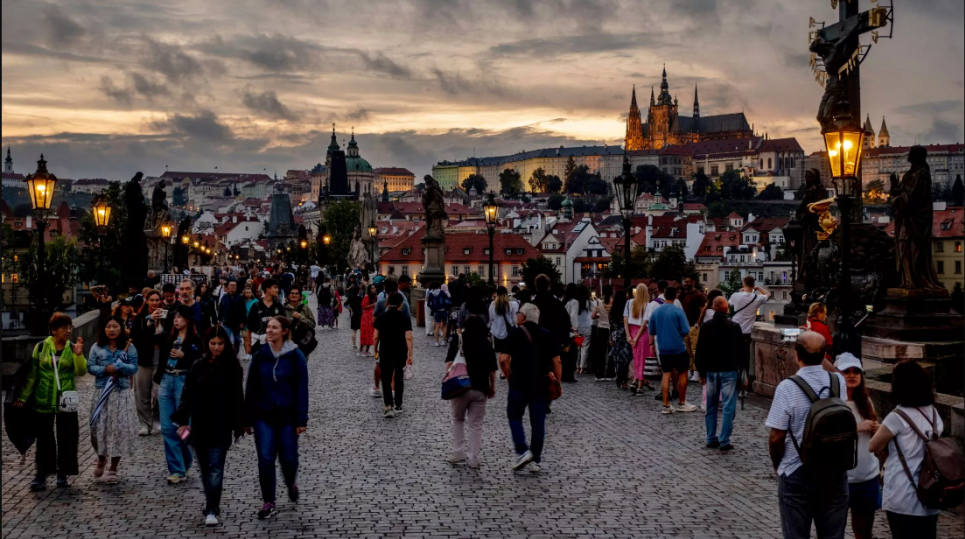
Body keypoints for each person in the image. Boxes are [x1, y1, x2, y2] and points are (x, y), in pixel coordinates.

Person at [766, 331, 849, 539]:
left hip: (797, 468)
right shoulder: (839, 382)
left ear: (796, 355)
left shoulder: (787, 387)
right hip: (834, 469)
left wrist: (778, 464)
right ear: (824, 356)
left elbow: (776, 436)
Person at [171, 326, 245, 527]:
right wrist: (183, 420)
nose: (217, 347)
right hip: (200, 425)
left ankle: (212, 507)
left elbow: (238, 398)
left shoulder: (233, 367)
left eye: (220, 344)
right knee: (205, 468)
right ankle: (211, 501)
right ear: (207, 343)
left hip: (222, 424)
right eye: (213, 343)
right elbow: (188, 395)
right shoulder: (198, 365)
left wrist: (240, 423)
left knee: (215, 468)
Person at [869, 360, 944, 539]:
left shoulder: (897, 416)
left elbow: (873, 445)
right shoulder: (933, 413)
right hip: (930, 492)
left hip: (903, 494)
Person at [243, 316, 308, 520]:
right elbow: (251, 387)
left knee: (288, 458)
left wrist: (301, 419)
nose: (269, 331)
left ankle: (290, 482)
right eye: (268, 327)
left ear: (285, 331)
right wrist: (247, 417)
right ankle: (268, 501)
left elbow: (301, 389)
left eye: (274, 327)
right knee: (265, 458)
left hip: (287, 416)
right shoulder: (260, 355)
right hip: (264, 415)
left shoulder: (296, 356)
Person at [14, 313, 87, 491]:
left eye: (70, 327)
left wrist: (78, 355)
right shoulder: (41, 347)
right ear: (53, 330)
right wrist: (23, 397)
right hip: (43, 398)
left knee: (67, 437)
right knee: (44, 439)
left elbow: (81, 371)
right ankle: (42, 474)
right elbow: (32, 375)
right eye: (64, 328)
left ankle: (63, 474)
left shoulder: (72, 347)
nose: (68, 331)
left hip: (66, 399)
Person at [499, 303, 562, 472]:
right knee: (538, 422)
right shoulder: (547, 335)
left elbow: (503, 359)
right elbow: (557, 361)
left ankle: (522, 450)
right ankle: (535, 459)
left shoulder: (515, 334)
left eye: (519, 313)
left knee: (514, 416)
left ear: (524, 317)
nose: (517, 315)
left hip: (519, 382)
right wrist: (557, 381)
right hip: (540, 384)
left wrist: (508, 376)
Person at [87, 316, 140, 483]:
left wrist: (119, 367)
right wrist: (105, 369)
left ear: (120, 328)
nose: (111, 330)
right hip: (102, 391)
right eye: (108, 326)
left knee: (118, 430)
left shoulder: (128, 347)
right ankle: (101, 456)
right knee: (98, 428)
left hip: (120, 392)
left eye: (115, 326)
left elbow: (134, 367)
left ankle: (113, 467)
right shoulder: (97, 347)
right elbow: (90, 366)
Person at [155, 305, 203, 484]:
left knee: (183, 427)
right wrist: (153, 320)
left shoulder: (195, 339)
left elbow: (200, 361)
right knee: (167, 428)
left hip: (184, 381)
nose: (176, 320)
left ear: (188, 319)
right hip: (167, 380)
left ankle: (185, 461)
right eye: (175, 316)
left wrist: (184, 355)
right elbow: (145, 338)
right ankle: (177, 469)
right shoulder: (169, 336)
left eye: (180, 317)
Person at [835, 353, 880, 539]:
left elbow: (875, 441)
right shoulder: (833, 404)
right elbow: (828, 437)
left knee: (863, 530)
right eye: (846, 372)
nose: (852, 375)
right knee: (834, 530)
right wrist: (856, 428)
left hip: (866, 476)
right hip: (841, 478)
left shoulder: (866, 403)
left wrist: (877, 429)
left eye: (856, 372)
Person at [445, 314, 497, 468]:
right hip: (480, 388)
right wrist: (492, 388)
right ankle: (474, 458)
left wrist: (447, 378)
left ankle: (458, 452)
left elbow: (449, 363)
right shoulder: (486, 343)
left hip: (460, 387)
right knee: (476, 424)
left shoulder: (458, 339)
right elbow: (492, 370)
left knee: (457, 419)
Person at [695, 296, 743, 450]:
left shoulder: (706, 326)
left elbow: (700, 351)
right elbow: (740, 352)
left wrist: (701, 371)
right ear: (726, 308)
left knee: (711, 406)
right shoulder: (734, 327)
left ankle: (710, 437)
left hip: (710, 370)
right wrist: (742, 371)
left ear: (714, 308)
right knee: (728, 407)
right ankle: (724, 440)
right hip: (728, 370)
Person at [648, 286, 697, 414]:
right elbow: (686, 330)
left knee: (666, 374)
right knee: (683, 373)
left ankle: (666, 405)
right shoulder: (678, 311)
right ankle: (681, 402)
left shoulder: (656, 311)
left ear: (664, 295)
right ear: (675, 296)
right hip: (678, 347)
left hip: (663, 347)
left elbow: (651, 330)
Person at [372, 293, 414, 417]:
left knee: (386, 378)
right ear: (401, 304)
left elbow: (375, 337)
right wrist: (410, 354)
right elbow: (409, 338)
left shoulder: (381, 317)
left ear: (387, 303)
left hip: (385, 351)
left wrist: (375, 351)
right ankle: (399, 404)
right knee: (399, 376)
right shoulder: (405, 318)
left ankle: (388, 406)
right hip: (400, 351)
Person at [130, 290, 165, 435]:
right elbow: (135, 338)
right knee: (142, 393)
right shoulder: (140, 318)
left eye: (157, 300)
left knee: (158, 393)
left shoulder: (165, 317)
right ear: (147, 301)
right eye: (152, 300)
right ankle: (145, 423)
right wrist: (149, 321)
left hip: (159, 359)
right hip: (143, 359)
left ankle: (157, 421)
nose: (155, 303)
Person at [728, 276, 769, 396]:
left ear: (743, 283)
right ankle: (743, 389)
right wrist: (759, 288)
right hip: (746, 334)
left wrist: (740, 292)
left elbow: (730, 304)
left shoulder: (736, 295)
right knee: (744, 362)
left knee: (732, 359)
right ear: (753, 285)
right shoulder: (757, 298)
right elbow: (768, 294)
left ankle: (732, 386)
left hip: (734, 332)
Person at [532, 274, 571, 384]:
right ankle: (555, 382)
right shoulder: (556, 302)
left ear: (536, 286)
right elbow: (566, 320)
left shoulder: (533, 303)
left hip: (536, 339)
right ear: (548, 286)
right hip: (554, 337)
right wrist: (566, 341)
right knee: (555, 360)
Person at [245, 278, 286, 357]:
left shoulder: (279, 306)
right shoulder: (256, 306)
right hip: (258, 344)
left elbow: (284, 326)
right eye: (275, 287)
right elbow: (249, 326)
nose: (278, 290)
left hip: (274, 344)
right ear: (268, 290)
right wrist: (248, 344)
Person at [625, 284, 654, 394]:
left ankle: (636, 380)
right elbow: (645, 322)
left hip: (632, 331)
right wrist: (637, 337)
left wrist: (629, 336)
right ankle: (639, 384)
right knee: (643, 359)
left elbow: (625, 319)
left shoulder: (629, 303)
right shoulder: (648, 305)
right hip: (643, 333)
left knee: (636, 358)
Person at [679, 277, 706, 382]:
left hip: (694, 326)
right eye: (684, 282)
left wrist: (698, 323)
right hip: (685, 326)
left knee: (695, 350)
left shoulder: (698, 295)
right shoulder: (683, 295)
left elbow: (702, 310)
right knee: (688, 350)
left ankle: (696, 371)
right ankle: (690, 370)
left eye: (688, 282)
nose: (685, 283)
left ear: (693, 282)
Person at [608, 290, 633, 390]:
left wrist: (610, 337)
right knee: (626, 359)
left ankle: (619, 377)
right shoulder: (626, 309)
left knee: (618, 359)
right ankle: (624, 381)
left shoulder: (612, 310)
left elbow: (611, 325)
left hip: (616, 336)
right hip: (625, 335)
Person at [488, 286, 518, 360]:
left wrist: (489, 328)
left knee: (498, 353)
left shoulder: (492, 304)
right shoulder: (510, 304)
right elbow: (514, 319)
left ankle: (501, 368)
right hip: (508, 332)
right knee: (508, 353)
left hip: (496, 332)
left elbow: (490, 319)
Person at [591, 285, 613, 381]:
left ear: (603, 292)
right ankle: (610, 373)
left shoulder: (599, 302)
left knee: (600, 351)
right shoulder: (613, 303)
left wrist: (598, 317)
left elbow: (593, 315)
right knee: (611, 351)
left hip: (601, 328)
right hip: (610, 329)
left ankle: (599, 373)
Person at [285, 285, 317, 352]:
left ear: (300, 296)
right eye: (292, 293)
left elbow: (312, 325)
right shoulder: (283, 309)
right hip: (288, 344)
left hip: (303, 343)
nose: (294, 295)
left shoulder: (305, 308)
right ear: (288, 295)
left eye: (296, 293)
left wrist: (300, 317)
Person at [218, 280, 246, 353]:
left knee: (237, 340)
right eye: (232, 285)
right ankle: (226, 353)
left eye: (235, 285)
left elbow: (243, 310)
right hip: (227, 322)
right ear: (228, 287)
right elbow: (221, 308)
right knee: (226, 339)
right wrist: (219, 319)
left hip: (237, 322)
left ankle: (236, 353)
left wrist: (243, 322)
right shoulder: (225, 297)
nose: (233, 287)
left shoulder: (240, 297)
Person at [805, 302, 836, 369]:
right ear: (818, 314)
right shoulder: (822, 327)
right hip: (822, 362)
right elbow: (829, 344)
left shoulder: (806, 326)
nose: (826, 316)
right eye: (824, 313)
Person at [574, 285, 595, 375]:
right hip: (587, 327)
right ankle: (582, 367)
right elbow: (595, 313)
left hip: (578, 327)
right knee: (585, 348)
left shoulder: (576, 303)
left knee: (578, 348)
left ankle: (577, 366)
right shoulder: (590, 303)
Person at [426, 282, 449, 346]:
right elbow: (447, 300)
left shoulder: (431, 294)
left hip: (436, 311)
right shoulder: (442, 292)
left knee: (437, 326)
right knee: (444, 325)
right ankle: (443, 341)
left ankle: (436, 342)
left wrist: (433, 308)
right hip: (443, 310)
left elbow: (429, 304)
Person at [359, 285, 377, 357]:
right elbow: (363, 307)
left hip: (372, 317)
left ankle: (367, 350)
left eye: (374, 288)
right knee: (364, 333)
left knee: (371, 333)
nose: (374, 289)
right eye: (372, 288)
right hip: (366, 317)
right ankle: (361, 350)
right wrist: (373, 305)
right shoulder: (366, 297)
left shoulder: (376, 297)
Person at [346, 284, 363, 348]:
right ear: (358, 291)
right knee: (361, 330)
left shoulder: (351, 297)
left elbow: (346, 305)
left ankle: (354, 344)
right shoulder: (360, 298)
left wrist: (351, 310)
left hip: (354, 314)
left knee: (354, 330)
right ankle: (362, 343)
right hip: (360, 314)